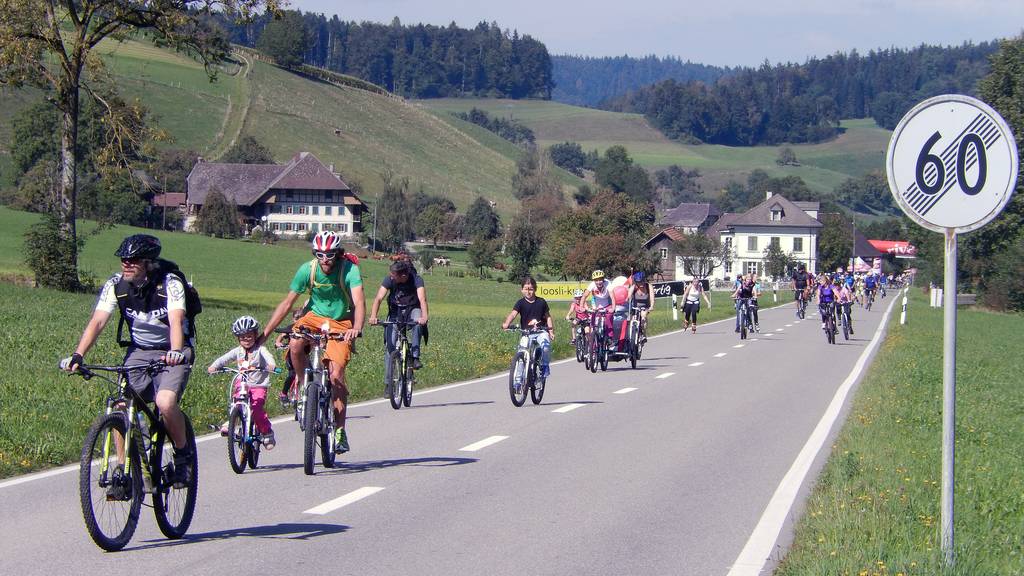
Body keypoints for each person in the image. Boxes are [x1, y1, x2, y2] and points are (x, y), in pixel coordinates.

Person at [60, 234, 194, 488]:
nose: (126, 265)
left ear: (148, 263)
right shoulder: (116, 285)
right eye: (124, 260)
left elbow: (176, 320)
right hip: (139, 350)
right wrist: (78, 355)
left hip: (173, 349)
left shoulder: (170, 283)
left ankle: (182, 454)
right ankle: (126, 470)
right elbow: (98, 321)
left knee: (165, 402)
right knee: (122, 405)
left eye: (133, 261)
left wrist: (176, 351)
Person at [260, 231, 364, 454]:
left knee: (336, 376)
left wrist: (356, 328)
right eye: (320, 255)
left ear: (337, 253)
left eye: (329, 255)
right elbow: (288, 303)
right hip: (314, 318)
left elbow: (359, 300)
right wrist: (265, 334)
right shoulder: (308, 269)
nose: (325, 260)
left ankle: (339, 431)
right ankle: (302, 383)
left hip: (341, 321)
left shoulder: (349, 269)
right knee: (296, 344)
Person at [209, 316, 277, 449]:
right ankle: (231, 422)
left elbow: (270, 358)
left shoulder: (260, 350)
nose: (246, 339)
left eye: (249, 336)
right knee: (236, 404)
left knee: (257, 409)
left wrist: (271, 365)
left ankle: (267, 432)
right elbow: (224, 359)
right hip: (243, 382)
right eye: (242, 337)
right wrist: (214, 366)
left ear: (255, 335)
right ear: (238, 338)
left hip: (258, 384)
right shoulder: (237, 351)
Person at [369, 259, 430, 380]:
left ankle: (415, 357)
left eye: (393, 276)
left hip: (413, 308)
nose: (391, 278)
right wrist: (373, 316)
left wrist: (424, 317)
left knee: (418, 324)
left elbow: (422, 299)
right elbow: (378, 298)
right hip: (395, 311)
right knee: (390, 348)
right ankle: (388, 383)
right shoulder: (389, 279)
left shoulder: (416, 280)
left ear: (403, 275)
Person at [502, 276, 554, 378]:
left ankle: (545, 365)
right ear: (522, 290)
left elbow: (548, 317)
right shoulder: (520, 303)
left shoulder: (541, 302)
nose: (528, 291)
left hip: (541, 331)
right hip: (526, 333)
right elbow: (513, 314)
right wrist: (506, 324)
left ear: (535, 289)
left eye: (530, 289)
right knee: (521, 355)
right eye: (525, 289)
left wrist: (551, 331)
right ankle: (517, 381)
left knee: (546, 348)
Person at [582, 270, 615, 342]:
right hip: (596, 305)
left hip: (607, 304)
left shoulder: (608, 283)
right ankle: (593, 342)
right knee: (593, 321)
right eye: (596, 280)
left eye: (600, 279)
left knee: (608, 318)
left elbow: (613, 297)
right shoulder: (592, 285)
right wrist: (581, 307)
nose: (598, 282)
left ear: (603, 279)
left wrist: (613, 308)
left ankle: (610, 337)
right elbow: (584, 296)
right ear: (594, 281)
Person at [626, 271, 654, 342]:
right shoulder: (634, 287)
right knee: (630, 320)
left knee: (643, 317)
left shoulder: (648, 286)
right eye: (638, 282)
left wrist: (652, 306)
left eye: (642, 281)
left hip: (645, 307)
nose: (640, 284)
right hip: (635, 307)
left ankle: (644, 335)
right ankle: (631, 336)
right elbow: (629, 296)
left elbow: (652, 298)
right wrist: (627, 299)